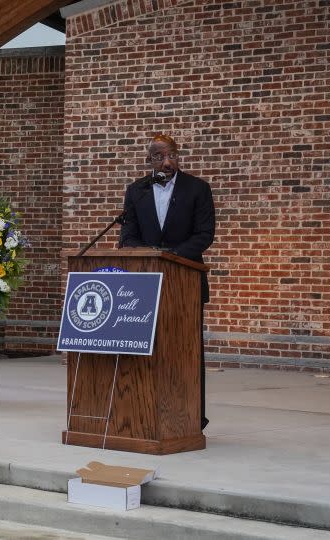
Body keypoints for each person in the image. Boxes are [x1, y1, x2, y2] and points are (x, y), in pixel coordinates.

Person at [119, 134, 215, 430]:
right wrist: (150, 256)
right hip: (144, 284)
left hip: (184, 282)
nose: (167, 161)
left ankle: (191, 417)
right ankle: (144, 414)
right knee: (146, 350)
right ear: (149, 160)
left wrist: (170, 256)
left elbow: (204, 235)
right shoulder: (137, 190)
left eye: (171, 155)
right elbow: (128, 237)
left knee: (186, 352)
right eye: (160, 156)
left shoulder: (198, 189)